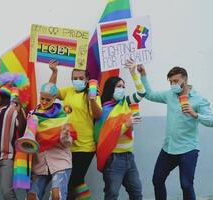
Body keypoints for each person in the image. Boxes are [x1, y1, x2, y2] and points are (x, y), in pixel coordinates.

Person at [138, 63, 213, 200]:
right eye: (171, 81)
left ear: (185, 80)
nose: (173, 84)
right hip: (169, 148)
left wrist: (195, 114)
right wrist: (143, 75)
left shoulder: (199, 99)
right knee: (157, 180)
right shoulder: (170, 95)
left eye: (176, 81)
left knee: (186, 185)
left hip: (188, 149)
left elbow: (211, 120)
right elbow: (149, 94)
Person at [48, 60, 102, 199]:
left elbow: (98, 115)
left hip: (85, 146)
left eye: (80, 78)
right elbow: (50, 91)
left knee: (72, 182)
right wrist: (54, 72)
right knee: (77, 182)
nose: (77, 80)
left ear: (87, 79)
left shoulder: (92, 94)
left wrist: (92, 100)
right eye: (75, 78)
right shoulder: (68, 91)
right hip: (67, 145)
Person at [94, 60, 145, 200]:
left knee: (136, 193)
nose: (122, 89)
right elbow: (104, 136)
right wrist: (126, 125)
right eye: (119, 86)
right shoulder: (103, 110)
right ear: (111, 88)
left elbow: (141, 92)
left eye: (123, 86)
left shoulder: (125, 103)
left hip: (129, 156)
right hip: (114, 158)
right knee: (112, 194)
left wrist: (133, 73)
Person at [26, 82, 74, 200]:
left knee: (57, 196)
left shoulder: (62, 116)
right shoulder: (33, 115)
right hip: (40, 163)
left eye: (48, 100)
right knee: (32, 197)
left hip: (60, 160)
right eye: (42, 98)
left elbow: (68, 143)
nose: (44, 102)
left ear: (54, 99)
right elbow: (28, 138)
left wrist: (65, 135)